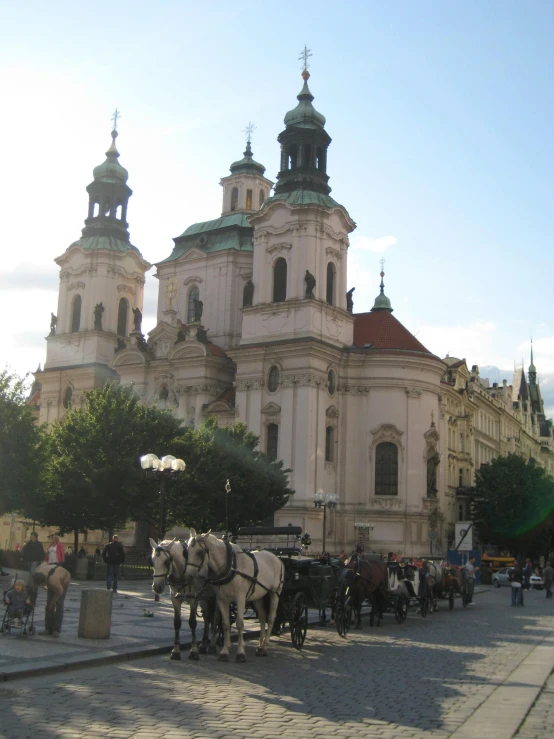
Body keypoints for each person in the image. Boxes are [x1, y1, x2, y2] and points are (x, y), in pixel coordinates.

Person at [32, 562, 70, 637]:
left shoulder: (53, 581)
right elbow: (44, 562)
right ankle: (48, 629)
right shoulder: (37, 570)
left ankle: (56, 630)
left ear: (43, 582)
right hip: (52, 574)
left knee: (59, 604)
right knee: (48, 605)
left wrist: (53, 602)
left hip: (63, 580)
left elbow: (60, 592)